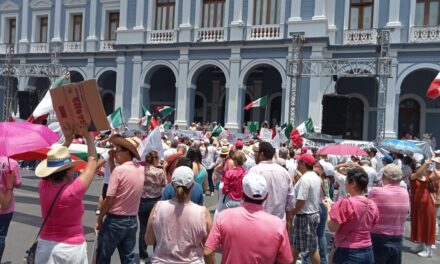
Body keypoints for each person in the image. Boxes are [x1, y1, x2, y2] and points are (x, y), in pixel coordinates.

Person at [34, 127, 98, 263]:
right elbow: (92, 161)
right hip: (70, 249)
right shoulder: (73, 190)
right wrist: (87, 135)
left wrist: (67, 141)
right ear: (68, 171)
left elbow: (53, 160)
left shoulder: (43, 186)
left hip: (45, 246)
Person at [204, 173, 293, 264]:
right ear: (266, 196)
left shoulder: (224, 216)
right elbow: (286, 260)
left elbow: (207, 252)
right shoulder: (278, 225)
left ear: (242, 194)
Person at [146, 166, 213, 263]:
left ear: (172, 184)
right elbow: (208, 249)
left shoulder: (157, 207)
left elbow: (149, 240)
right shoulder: (203, 212)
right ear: (193, 185)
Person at [96, 135, 144, 263]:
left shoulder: (120, 171)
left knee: (103, 256)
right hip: (132, 220)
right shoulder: (140, 169)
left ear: (127, 153)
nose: (115, 152)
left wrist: (100, 218)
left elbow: (109, 199)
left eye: (118, 150)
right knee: (128, 257)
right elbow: (116, 174)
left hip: (115, 220)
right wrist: (112, 159)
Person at [323, 168, 379, 264]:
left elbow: (332, 227)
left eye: (346, 181)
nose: (345, 184)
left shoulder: (346, 203)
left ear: (353, 184)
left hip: (348, 251)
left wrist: (328, 209)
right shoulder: (372, 204)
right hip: (367, 250)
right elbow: (373, 224)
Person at [369, 164, 409, 264]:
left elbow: (368, 211)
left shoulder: (375, 191)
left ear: (383, 176)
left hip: (378, 237)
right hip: (398, 237)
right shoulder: (405, 192)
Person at [288, 153, 321, 264]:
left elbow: (301, 200)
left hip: (305, 216)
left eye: (298, 161)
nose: (297, 163)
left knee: (311, 248)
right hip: (308, 215)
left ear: (303, 163)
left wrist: (292, 212)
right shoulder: (315, 176)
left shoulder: (306, 179)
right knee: (296, 245)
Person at [249, 142, 295, 220]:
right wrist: (289, 221)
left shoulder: (254, 171)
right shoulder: (284, 172)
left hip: (259, 222)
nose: (254, 155)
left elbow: (248, 197)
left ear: (261, 154)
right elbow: (291, 200)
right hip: (279, 222)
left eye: (256, 153)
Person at [138, 151, 166, 263]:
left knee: (143, 229)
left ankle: (142, 255)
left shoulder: (141, 170)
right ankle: (155, 254)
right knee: (156, 229)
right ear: (155, 159)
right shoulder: (159, 171)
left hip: (143, 201)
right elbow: (164, 184)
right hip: (156, 202)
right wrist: (164, 168)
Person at [409, 158, 439, 257]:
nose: (422, 168)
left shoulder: (427, 177)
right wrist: (425, 164)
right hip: (417, 205)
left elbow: (438, 175)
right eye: (418, 167)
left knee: (428, 225)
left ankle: (428, 249)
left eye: (421, 166)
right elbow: (418, 174)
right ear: (414, 169)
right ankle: (422, 245)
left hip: (427, 204)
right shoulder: (413, 176)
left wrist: (436, 163)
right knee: (419, 224)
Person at [0, 158, 19, 263]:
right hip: (5, 209)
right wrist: (9, 183)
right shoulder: (11, 163)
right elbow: (18, 183)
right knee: (1, 236)